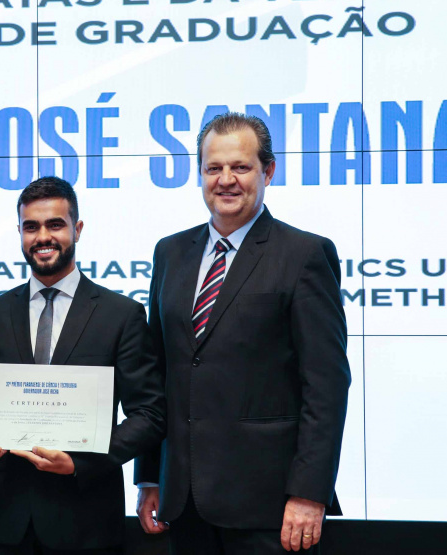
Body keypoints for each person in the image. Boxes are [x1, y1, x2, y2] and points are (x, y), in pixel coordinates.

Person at [135, 113, 351, 554]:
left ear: (268, 171)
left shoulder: (305, 255)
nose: (226, 180)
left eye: (241, 167)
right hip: (185, 499)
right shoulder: (170, 252)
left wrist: (310, 492)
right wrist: (151, 475)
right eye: (214, 168)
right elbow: (158, 375)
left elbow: (326, 386)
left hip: (270, 508)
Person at [0, 176, 166, 555]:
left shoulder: (121, 316)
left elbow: (149, 414)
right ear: (20, 232)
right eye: (31, 226)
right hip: (7, 525)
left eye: (55, 224)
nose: (43, 237)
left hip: (88, 524)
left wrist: (81, 462)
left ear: (77, 228)